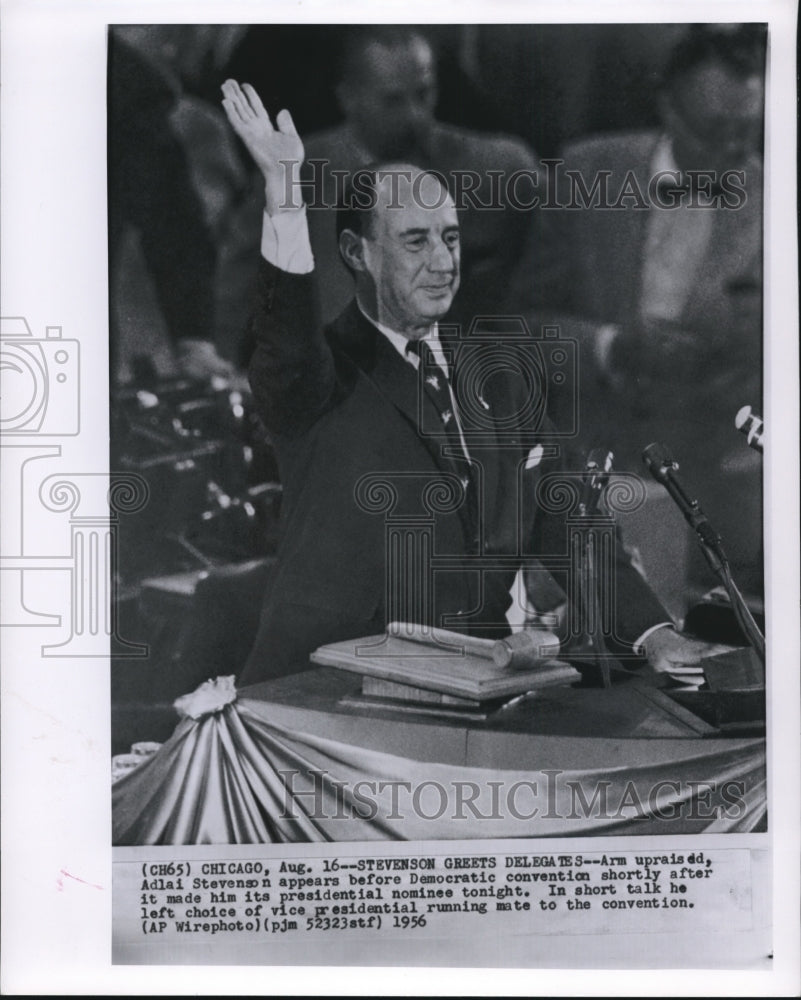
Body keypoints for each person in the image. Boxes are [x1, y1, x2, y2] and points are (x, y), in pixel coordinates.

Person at [220, 79, 727, 687]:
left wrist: (654, 631)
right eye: (415, 241)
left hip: (477, 692)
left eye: (451, 237)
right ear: (357, 253)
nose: (443, 261)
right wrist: (284, 194)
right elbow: (286, 337)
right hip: (328, 694)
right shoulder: (317, 375)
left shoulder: (501, 375)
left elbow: (567, 519)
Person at [534, 25, 765, 598]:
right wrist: (611, 344)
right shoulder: (585, 173)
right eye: (716, 131)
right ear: (667, 105)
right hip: (576, 498)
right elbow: (518, 322)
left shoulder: (776, 200)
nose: (736, 154)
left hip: (715, 518)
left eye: (749, 132)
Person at [299, 27, 541, 329]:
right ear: (348, 98)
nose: (415, 115)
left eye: (424, 94)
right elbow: (242, 284)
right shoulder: (301, 170)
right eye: (393, 100)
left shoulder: (496, 168)